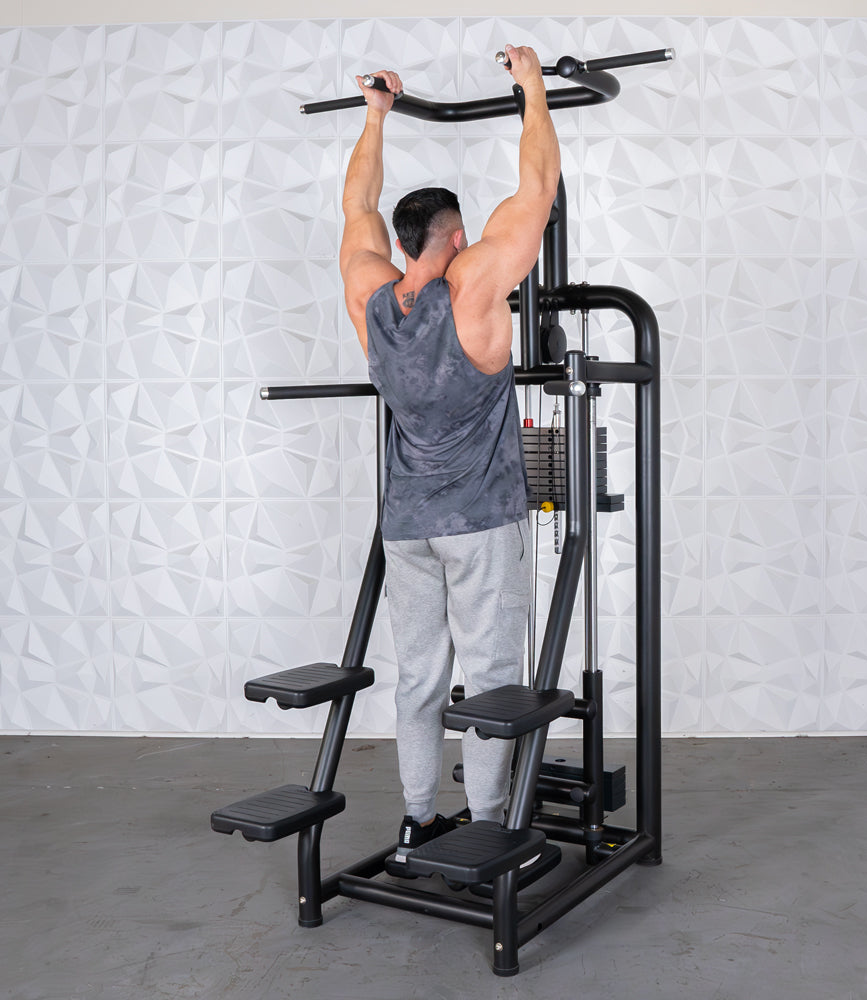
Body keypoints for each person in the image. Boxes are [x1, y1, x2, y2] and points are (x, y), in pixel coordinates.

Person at [339, 45, 561, 869]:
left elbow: (355, 203)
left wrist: (375, 114)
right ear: (459, 237)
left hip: (406, 526)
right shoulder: (475, 290)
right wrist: (532, 90)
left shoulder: (367, 291)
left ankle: (420, 819)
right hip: (478, 523)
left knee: (420, 676)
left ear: (402, 242)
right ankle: (495, 825)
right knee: (495, 673)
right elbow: (535, 191)